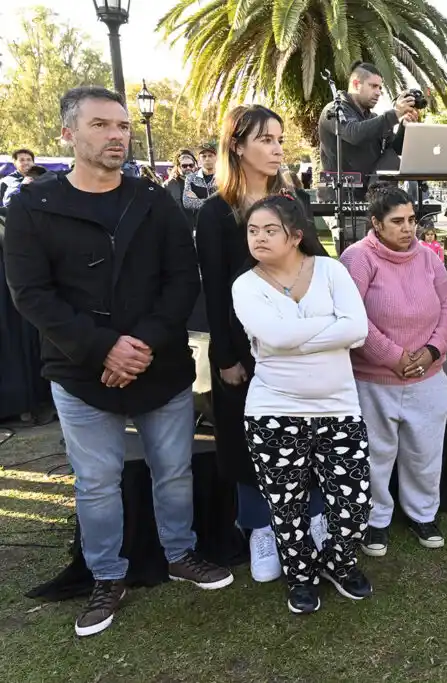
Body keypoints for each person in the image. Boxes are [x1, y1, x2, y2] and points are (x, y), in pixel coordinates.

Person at [4, 86, 233, 637]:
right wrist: (102, 347)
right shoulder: (32, 206)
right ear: (68, 134)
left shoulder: (153, 200)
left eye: (124, 126)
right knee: (97, 482)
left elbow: (182, 279)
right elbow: (32, 294)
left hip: (162, 366)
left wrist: (143, 344)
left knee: (173, 471)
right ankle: (107, 575)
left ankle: (180, 553)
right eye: (102, 125)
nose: (117, 135)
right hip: (81, 372)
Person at [196, 105, 330, 584]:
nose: (277, 149)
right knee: (251, 444)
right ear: (237, 145)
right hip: (244, 353)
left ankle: (313, 518)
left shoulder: (294, 203)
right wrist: (228, 358)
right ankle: (259, 529)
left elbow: (316, 266)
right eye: (266, 140)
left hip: (298, 345)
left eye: (279, 139)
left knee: (308, 436)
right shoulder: (215, 214)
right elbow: (213, 291)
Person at [232, 195, 372, 615]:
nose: (258, 238)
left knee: (354, 505)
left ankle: (336, 561)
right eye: (253, 231)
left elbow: (359, 328)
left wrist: (289, 336)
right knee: (286, 506)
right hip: (272, 411)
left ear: (295, 236)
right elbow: (272, 336)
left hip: (338, 408)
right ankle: (300, 577)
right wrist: (333, 327)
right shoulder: (245, 285)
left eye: (269, 230)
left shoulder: (330, 270)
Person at [340, 184, 447, 556]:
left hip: (428, 373)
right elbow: (353, 317)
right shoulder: (357, 258)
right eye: (397, 222)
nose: (409, 229)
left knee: (425, 450)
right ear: (375, 222)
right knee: (375, 452)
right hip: (374, 378)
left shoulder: (429, 258)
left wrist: (431, 351)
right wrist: (393, 357)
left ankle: (423, 513)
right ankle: (376, 520)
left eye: (412, 220)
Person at [317, 61, 418, 187]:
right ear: (356, 84)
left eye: (380, 88)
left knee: (391, 156)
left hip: (371, 196)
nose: (378, 92)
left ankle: (381, 200)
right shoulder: (334, 110)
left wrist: (404, 126)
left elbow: (394, 151)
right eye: (373, 86)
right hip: (339, 197)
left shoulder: (374, 119)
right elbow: (354, 133)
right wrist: (395, 114)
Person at [182, 141, 218, 216]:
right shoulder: (191, 178)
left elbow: (228, 202)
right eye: (204, 156)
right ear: (199, 159)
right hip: (200, 223)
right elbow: (187, 202)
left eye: (210, 155)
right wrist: (215, 203)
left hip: (221, 223)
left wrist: (197, 199)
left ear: (216, 157)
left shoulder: (224, 177)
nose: (207, 159)